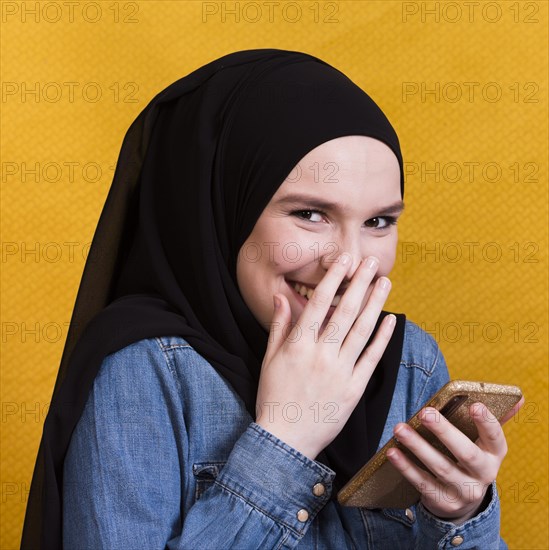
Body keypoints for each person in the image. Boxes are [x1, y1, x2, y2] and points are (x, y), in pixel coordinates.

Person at [21, 48, 519, 550]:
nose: (349, 263)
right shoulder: (145, 370)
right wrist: (285, 441)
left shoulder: (410, 361)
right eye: (309, 214)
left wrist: (460, 515)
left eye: (378, 222)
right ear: (224, 211)